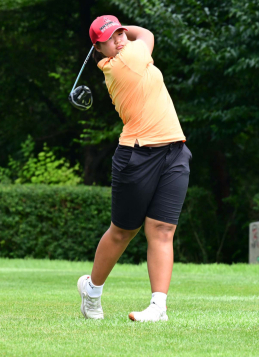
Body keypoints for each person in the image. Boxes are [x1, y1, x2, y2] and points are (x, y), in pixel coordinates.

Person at [77, 16, 192, 322]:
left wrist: (118, 27)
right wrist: (127, 26)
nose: (119, 39)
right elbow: (149, 33)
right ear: (98, 49)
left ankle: (158, 307)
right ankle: (92, 291)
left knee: (162, 230)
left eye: (120, 33)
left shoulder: (129, 53)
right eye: (110, 37)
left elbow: (140, 36)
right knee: (123, 232)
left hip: (174, 150)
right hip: (137, 154)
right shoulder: (123, 63)